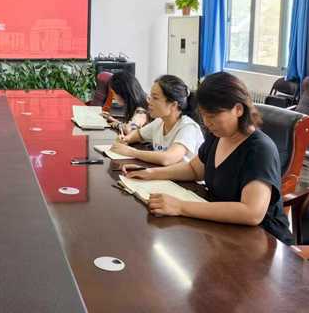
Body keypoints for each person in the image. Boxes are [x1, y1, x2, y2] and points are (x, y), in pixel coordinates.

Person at [124, 72, 292, 244]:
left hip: (262, 241)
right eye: (203, 115)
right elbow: (194, 169)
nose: (206, 122)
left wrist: (180, 206)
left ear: (238, 109)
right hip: (222, 229)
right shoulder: (218, 135)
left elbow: (251, 212)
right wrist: (151, 173)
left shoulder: (260, 149)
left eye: (212, 116)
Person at [110, 75, 204, 166]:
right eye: (150, 97)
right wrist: (126, 139)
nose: (149, 102)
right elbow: (138, 134)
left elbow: (168, 158)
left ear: (173, 105)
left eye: (155, 98)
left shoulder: (188, 127)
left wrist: (131, 152)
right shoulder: (159, 122)